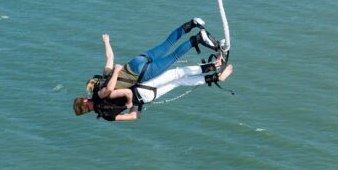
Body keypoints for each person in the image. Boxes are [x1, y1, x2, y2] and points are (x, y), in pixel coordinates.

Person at [86, 18, 220, 93]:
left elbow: (110, 89)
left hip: (142, 73)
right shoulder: (105, 73)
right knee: (166, 43)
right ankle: (192, 23)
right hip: (135, 62)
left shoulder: (104, 91)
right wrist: (106, 42)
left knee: (174, 57)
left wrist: (116, 73)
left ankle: (197, 39)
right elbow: (110, 57)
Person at [73, 61, 233, 122]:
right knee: (177, 74)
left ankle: (215, 78)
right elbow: (125, 93)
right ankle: (214, 66)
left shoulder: (106, 116)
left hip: (146, 98)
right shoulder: (100, 97)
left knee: (179, 82)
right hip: (141, 90)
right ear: (85, 101)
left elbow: (134, 116)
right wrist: (129, 100)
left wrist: (133, 105)